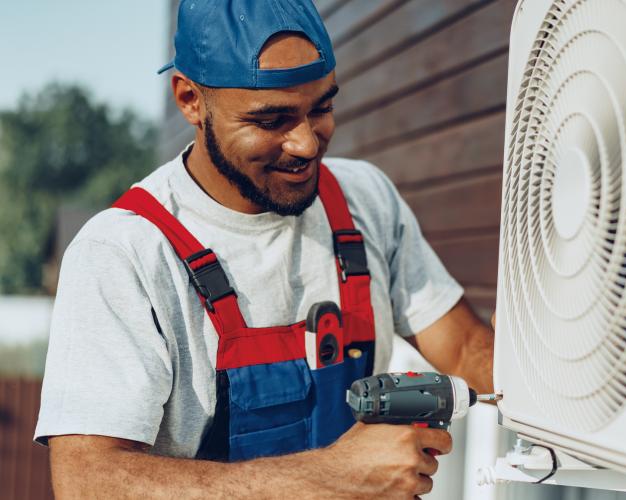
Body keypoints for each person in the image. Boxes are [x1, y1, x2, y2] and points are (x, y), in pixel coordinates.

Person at [33, 1, 495, 498]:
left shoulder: (365, 201)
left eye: (322, 108)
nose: (305, 145)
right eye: (272, 119)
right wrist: (334, 477)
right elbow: (87, 482)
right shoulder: (125, 253)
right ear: (190, 99)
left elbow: (467, 348)